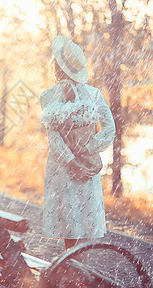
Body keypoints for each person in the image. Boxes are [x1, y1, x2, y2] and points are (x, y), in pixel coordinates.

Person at [40, 36, 115, 250]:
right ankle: (81, 272)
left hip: (62, 166)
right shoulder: (94, 94)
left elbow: (54, 137)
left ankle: (71, 271)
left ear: (56, 66)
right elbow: (110, 129)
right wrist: (88, 148)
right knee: (84, 218)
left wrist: (71, 159)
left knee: (69, 222)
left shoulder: (47, 96)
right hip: (86, 164)